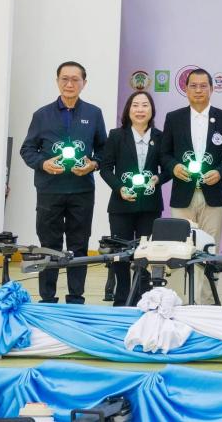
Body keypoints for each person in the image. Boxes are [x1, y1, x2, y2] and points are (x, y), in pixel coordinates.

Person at [19, 61, 107, 304]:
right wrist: (43, 164)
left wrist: (94, 164)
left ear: (84, 83)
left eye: (75, 79)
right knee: (49, 244)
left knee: (79, 244)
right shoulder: (42, 115)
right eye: (64, 79)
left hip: (82, 190)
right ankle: (47, 298)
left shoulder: (94, 113)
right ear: (57, 81)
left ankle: (76, 298)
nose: (69, 84)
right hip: (49, 190)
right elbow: (27, 149)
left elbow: (104, 149)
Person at [160, 68, 222, 304]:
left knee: (209, 250)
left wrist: (220, 172)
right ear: (186, 89)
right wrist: (174, 167)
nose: (198, 90)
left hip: (213, 196)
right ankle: (180, 301)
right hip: (182, 195)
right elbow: (164, 154)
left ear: (212, 89)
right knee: (179, 249)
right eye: (193, 85)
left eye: (204, 86)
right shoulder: (174, 118)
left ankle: (207, 303)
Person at [99, 91, 170, 306]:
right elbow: (105, 168)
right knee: (121, 253)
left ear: (152, 110)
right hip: (120, 206)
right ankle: (121, 298)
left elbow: (168, 168)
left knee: (146, 253)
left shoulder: (160, 137)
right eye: (135, 105)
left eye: (145, 105)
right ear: (128, 110)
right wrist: (119, 188)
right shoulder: (116, 136)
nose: (140, 110)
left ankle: (142, 297)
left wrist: (158, 178)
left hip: (150, 206)